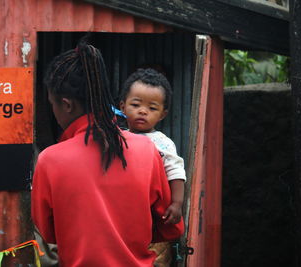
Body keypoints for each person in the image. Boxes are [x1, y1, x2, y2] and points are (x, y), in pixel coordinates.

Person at [31, 42, 184, 267]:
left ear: (66, 105)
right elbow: (170, 226)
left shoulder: (49, 160)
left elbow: (48, 232)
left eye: (53, 104)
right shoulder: (147, 149)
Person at [119, 68, 186, 266]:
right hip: (122, 214)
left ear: (163, 115)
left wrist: (176, 203)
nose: (142, 111)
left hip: (152, 218)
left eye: (152, 108)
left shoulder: (162, 143)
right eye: (136, 104)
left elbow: (176, 172)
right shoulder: (115, 138)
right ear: (122, 106)